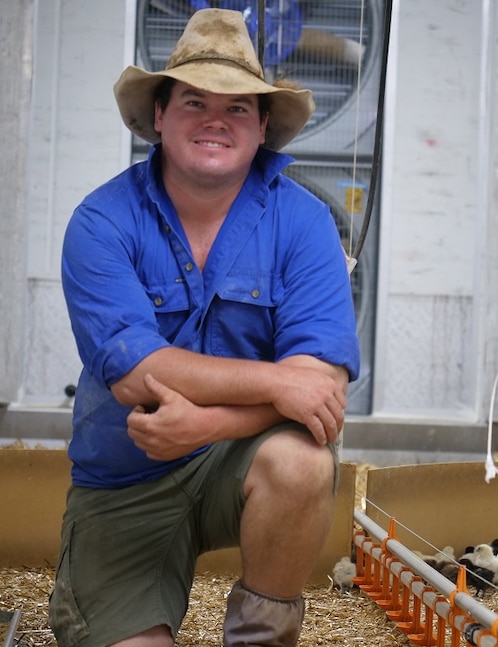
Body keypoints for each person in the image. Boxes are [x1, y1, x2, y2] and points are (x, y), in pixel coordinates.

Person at [48, 8, 360, 647]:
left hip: (238, 466)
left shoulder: (304, 223)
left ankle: (261, 637)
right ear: (159, 114)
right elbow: (140, 375)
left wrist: (209, 425)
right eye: (194, 100)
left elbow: (319, 391)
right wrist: (277, 386)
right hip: (123, 481)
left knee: (303, 461)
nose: (216, 119)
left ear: (263, 125)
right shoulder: (102, 221)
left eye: (239, 107)